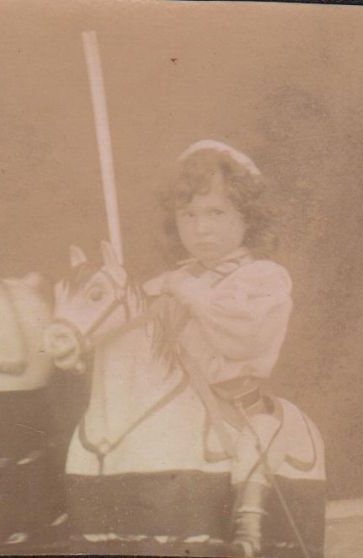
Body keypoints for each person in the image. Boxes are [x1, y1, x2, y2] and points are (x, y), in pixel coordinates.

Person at [144, 140, 293, 557]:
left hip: (236, 405)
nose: (201, 228)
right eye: (187, 215)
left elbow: (240, 337)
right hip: (174, 407)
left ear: (248, 217)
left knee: (256, 441)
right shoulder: (174, 279)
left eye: (216, 213)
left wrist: (182, 289)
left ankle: (248, 533)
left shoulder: (263, 278)